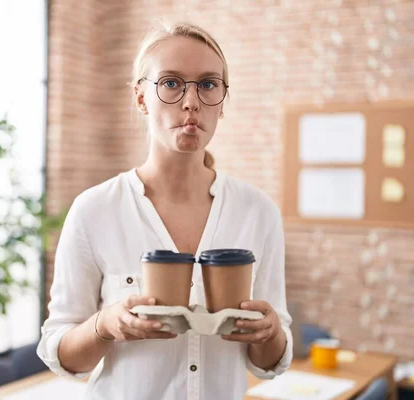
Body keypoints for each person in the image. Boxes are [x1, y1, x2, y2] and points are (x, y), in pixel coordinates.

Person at [37, 21, 293, 400]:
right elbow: (62, 354)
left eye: (208, 85)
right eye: (171, 83)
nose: (191, 102)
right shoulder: (94, 210)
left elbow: (269, 362)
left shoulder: (259, 213)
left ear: (222, 102)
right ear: (142, 97)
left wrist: (271, 331)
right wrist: (105, 325)